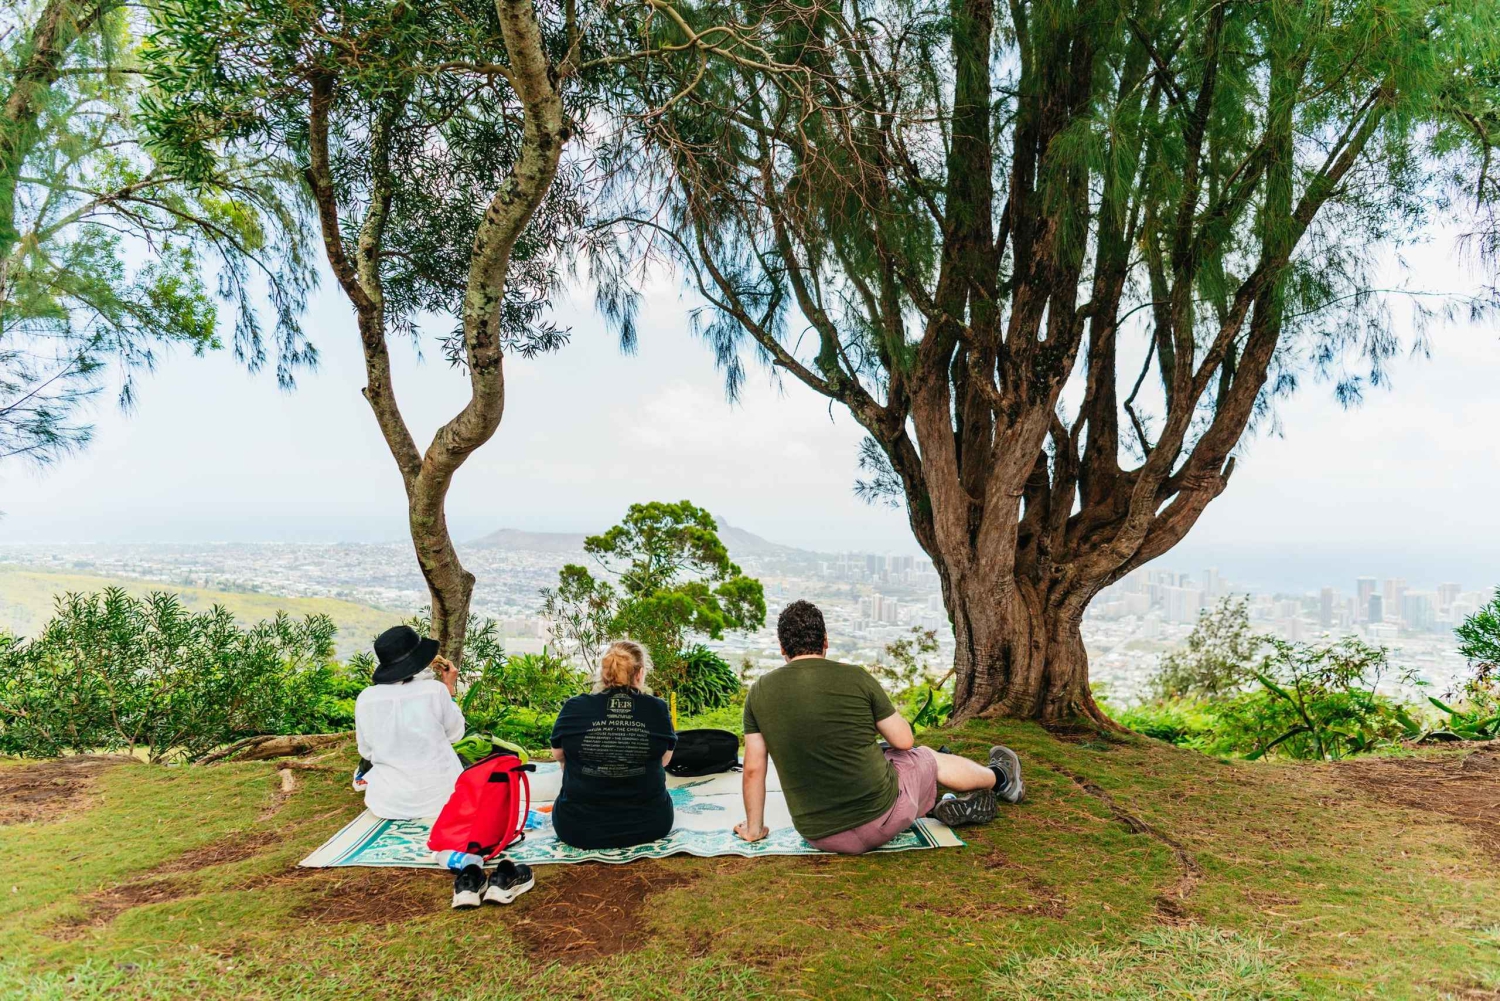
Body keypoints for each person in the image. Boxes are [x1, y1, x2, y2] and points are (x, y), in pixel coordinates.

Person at [734, 600, 1024, 855]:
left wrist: (754, 829)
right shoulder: (855, 678)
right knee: (922, 757)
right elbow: (904, 740)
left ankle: (945, 802)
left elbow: (754, 769)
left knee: (888, 756)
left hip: (819, 834)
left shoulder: (759, 692)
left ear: (782, 647)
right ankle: (1001, 779)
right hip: (880, 819)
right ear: (825, 641)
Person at [355, 624, 532, 909]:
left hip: (388, 802)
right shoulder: (434, 691)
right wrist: (449, 688)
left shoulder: (365, 698)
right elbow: (456, 735)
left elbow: (366, 751)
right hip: (442, 797)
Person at [549, 640, 677, 850]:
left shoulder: (574, 707)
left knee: (569, 763)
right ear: (640, 673)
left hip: (577, 828)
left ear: (604, 672)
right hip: (651, 824)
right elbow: (665, 760)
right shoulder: (658, 709)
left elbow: (558, 755)